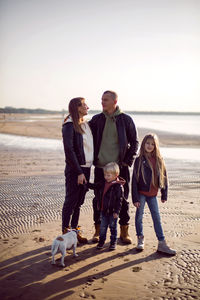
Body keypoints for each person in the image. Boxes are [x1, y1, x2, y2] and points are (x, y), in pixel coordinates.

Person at [89, 90, 139, 244]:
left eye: (105, 100)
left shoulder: (126, 119)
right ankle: (98, 231)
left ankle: (124, 231)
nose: (102, 102)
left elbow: (135, 143)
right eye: (101, 99)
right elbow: (84, 135)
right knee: (98, 199)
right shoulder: (96, 119)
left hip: (120, 169)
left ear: (114, 102)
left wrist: (126, 162)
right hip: (100, 168)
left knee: (123, 199)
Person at [131, 133, 176, 255]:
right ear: (143, 144)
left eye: (152, 144)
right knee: (139, 217)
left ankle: (162, 243)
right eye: (147, 143)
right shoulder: (139, 160)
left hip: (153, 194)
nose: (149, 146)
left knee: (157, 218)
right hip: (141, 194)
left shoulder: (159, 160)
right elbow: (134, 180)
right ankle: (140, 239)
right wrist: (135, 198)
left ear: (156, 146)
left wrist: (164, 193)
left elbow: (164, 177)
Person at [62, 97, 93, 243]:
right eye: (84, 104)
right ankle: (65, 233)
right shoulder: (69, 125)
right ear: (77, 107)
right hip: (76, 169)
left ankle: (74, 231)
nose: (87, 106)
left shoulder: (84, 124)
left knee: (79, 202)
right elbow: (69, 150)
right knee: (71, 201)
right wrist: (79, 172)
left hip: (86, 168)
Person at [88, 162, 125, 250]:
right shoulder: (103, 183)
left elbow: (119, 201)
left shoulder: (118, 187)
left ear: (116, 175)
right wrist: (87, 184)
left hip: (113, 212)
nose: (106, 177)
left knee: (113, 228)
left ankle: (113, 243)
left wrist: (117, 211)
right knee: (103, 227)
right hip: (103, 211)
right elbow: (95, 186)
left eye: (108, 175)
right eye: (105, 175)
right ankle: (101, 242)